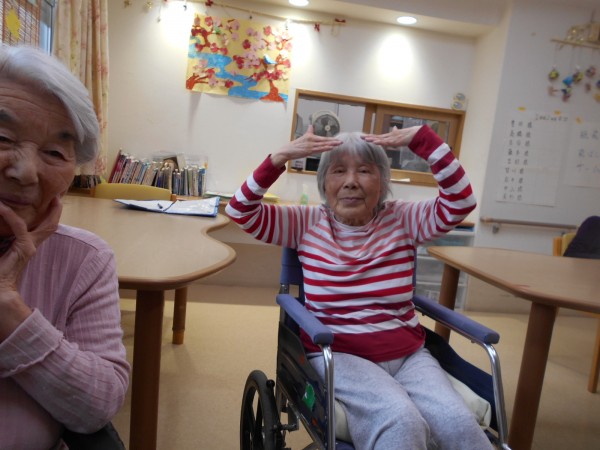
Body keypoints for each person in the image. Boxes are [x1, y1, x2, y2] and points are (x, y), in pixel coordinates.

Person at [226, 124, 491, 449]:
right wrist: (281, 156)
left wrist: (423, 140)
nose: (351, 181)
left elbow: (461, 202)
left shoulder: (403, 219)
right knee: (400, 420)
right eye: (339, 171)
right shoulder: (305, 222)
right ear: (324, 183)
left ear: (382, 182)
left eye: (364, 170)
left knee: (458, 423)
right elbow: (239, 211)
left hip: (410, 356)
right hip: (340, 355)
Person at [0, 45, 129, 449]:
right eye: (3, 137)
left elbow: (98, 406)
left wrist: (10, 312)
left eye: (55, 153)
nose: (25, 172)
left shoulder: (84, 260)